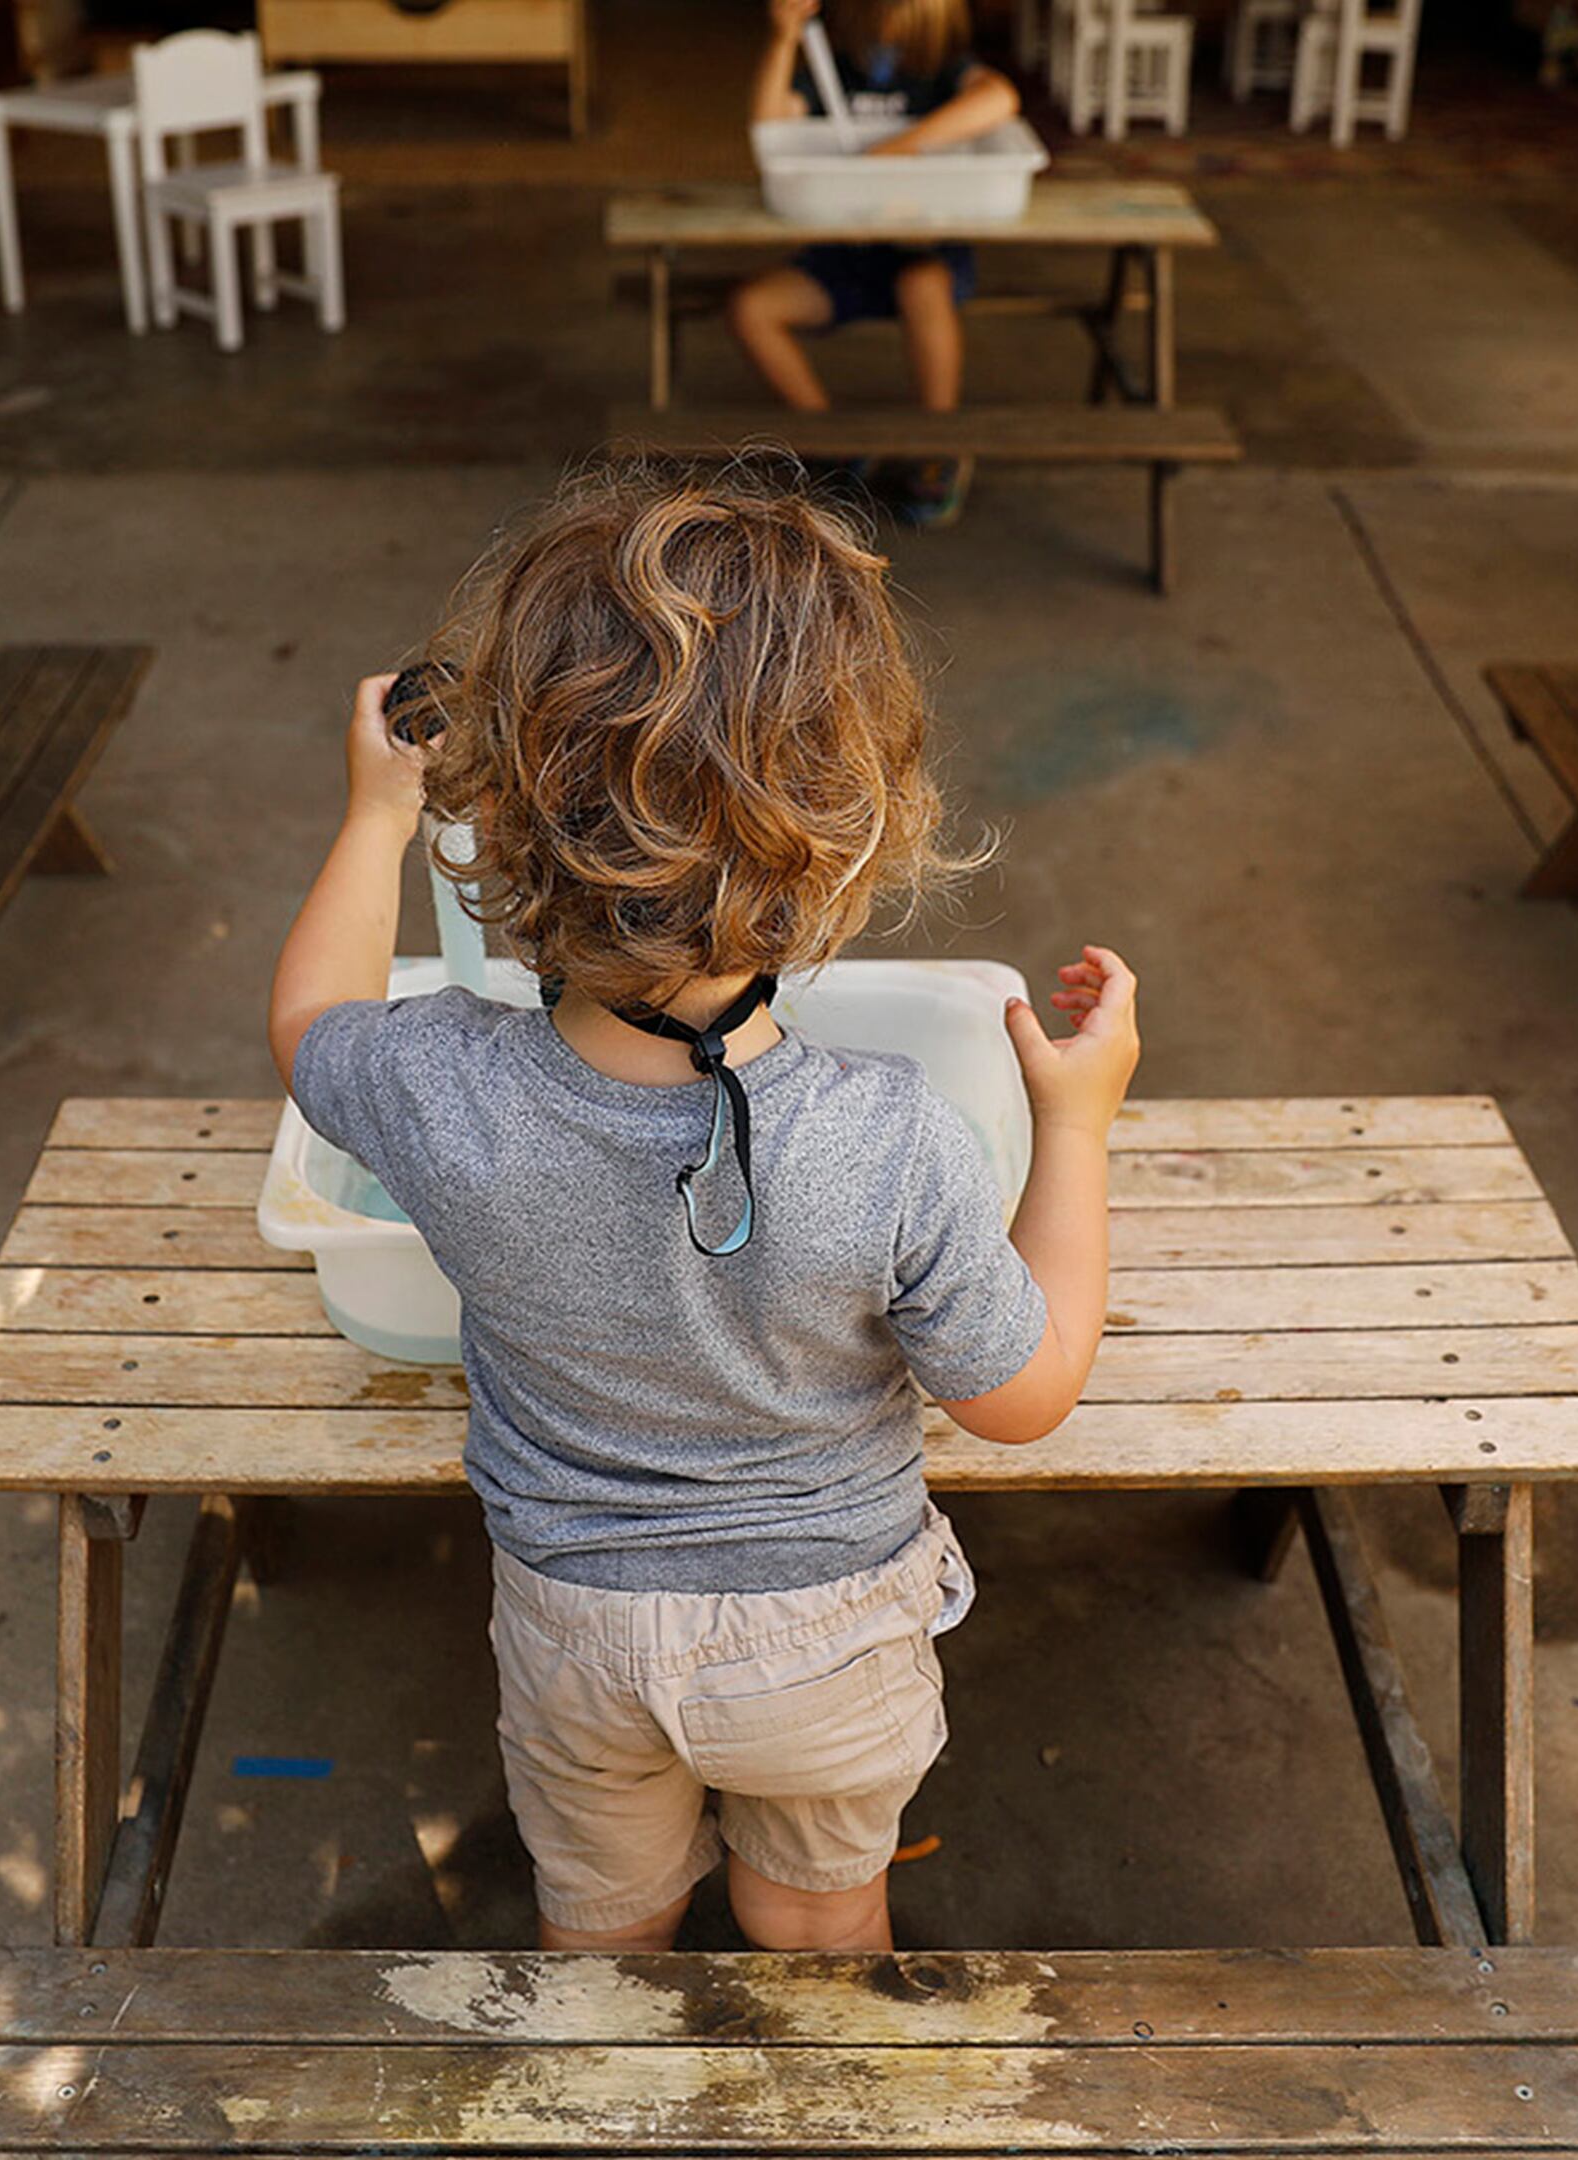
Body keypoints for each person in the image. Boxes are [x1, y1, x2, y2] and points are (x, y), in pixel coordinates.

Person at [266, 464, 1138, 1951]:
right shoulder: (895, 1138)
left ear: (506, 826)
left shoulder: (442, 1085)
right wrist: (1077, 1125)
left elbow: (309, 1022)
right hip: (830, 1634)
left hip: (573, 1629)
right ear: (845, 843)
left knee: (602, 1938)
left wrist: (373, 812)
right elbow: (1027, 1394)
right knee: (816, 1937)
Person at [728, 0, 1020, 530]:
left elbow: (1000, 99)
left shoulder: (943, 72)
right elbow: (769, 127)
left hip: (922, 252)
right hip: (845, 257)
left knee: (922, 284)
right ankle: (838, 444)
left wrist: (893, 152)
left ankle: (940, 445)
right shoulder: (834, 68)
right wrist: (783, 38)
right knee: (753, 308)